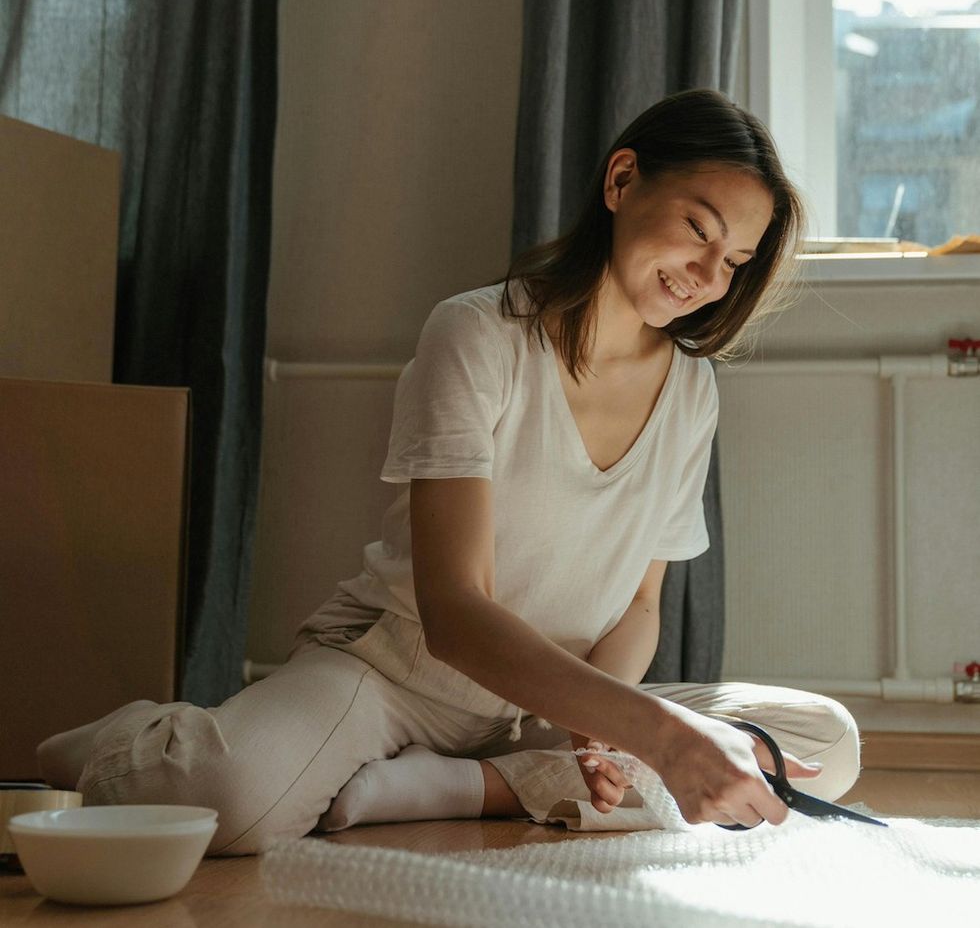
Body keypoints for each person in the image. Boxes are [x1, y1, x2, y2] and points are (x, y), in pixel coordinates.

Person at [38, 88, 860, 856]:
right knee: (228, 802)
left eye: (737, 260)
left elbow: (641, 604)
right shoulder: (478, 334)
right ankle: (134, 741)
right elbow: (456, 614)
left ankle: (466, 786)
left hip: (552, 706)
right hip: (398, 673)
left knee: (822, 741)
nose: (710, 276)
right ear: (621, 179)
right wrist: (661, 736)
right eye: (699, 228)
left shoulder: (692, 389)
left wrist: (600, 727)